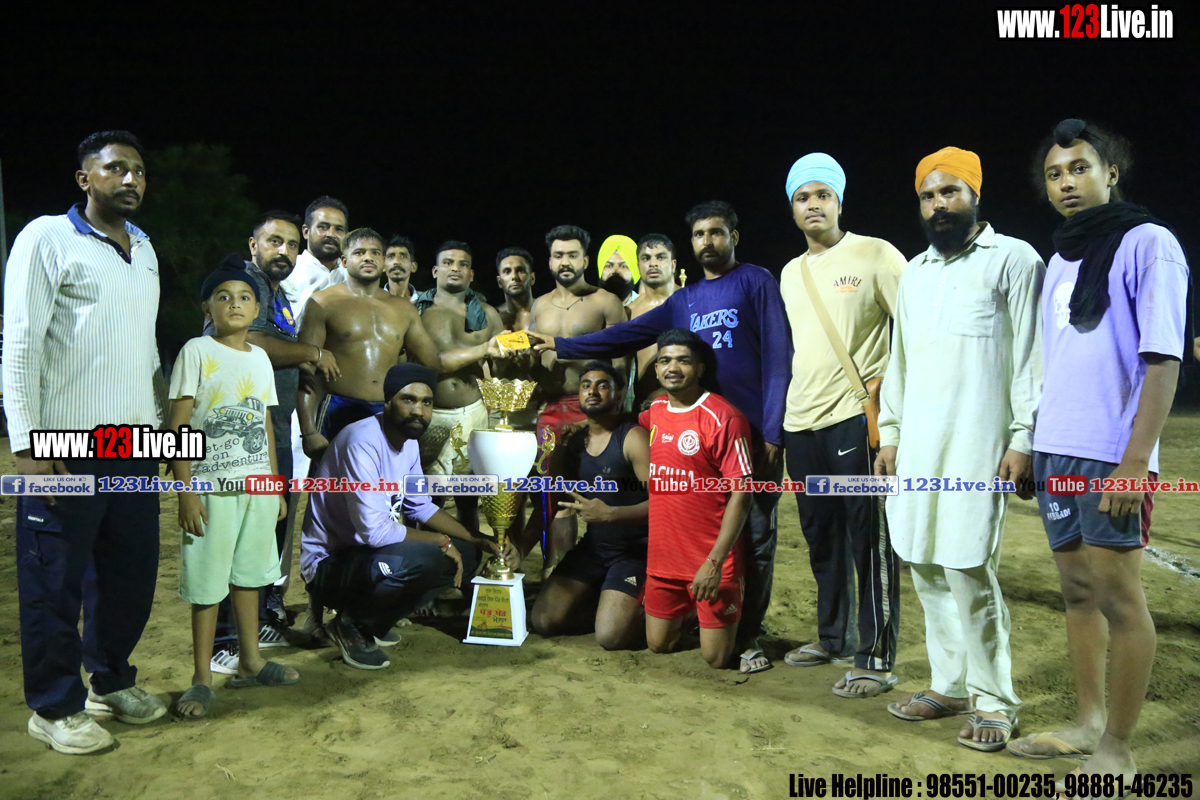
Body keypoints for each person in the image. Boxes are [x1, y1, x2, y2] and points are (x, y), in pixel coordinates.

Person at [530, 201, 791, 674]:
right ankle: (692, 612)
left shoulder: (756, 281)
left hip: (749, 433)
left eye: (716, 232)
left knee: (753, 536)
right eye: (699, 234)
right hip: (693, 434)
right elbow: (627, 335)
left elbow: (778, 355)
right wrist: (565, 346)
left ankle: (748, 631)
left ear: (733, 237)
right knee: (689, 526)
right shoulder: (685, 301)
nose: (707, 241)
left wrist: (773, 430)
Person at [1006, 120, 1190, 784]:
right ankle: (1087, 722)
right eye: (1055, 174)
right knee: (1078, 592)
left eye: (1080, 168)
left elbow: (1162, 360)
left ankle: (1118, 748)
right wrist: (1032, 443)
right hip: (1057, 449)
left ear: (1111, 172)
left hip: (1112, 453)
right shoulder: (1060, 259)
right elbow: (1054, 360)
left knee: (1119, 597)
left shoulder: (1150, 243)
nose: (1067, 183)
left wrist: (1135, 461)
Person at [6, 131, 168, 754]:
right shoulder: (47, 237)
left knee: (130, 574)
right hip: (64, 446)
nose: (130, 179)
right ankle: (54, 707)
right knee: (54, 582)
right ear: (85, 179)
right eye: (115, 168)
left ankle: (111, 679)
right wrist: (28, 446)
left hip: (135, 446)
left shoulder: (145, 249)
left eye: (139, 170)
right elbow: (20, 344)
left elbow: (146, 350)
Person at [877, 147, 1043, 749]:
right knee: (923, 561)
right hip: (918, 447)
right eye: (928, 195)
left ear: (975, 195)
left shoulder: (1015, 259)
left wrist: (1024, 437)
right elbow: (898, 363)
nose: (938, 205)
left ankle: (994, 700)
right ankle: (948, 685)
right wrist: (890, 434)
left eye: (950, 192)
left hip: (979, 445)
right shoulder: (917, 273)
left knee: (968, 566)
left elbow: (1032, 356)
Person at [775, 154, 905, 695]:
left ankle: (875, 655)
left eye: (822, 195)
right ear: (792, 208)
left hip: (855, 418)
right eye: (802, 197)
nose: (813, 205)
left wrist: (893, 407)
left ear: (839, 201)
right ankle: (833, 638)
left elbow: (915, 332)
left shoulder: (876, 254)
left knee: (869, 541)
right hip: (801, 423)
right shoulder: (790, 273)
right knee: (820, 538)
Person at [300, 364, 520, 669]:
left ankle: (373, 621)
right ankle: (351, 625)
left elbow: (420, 506)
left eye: (426, 402)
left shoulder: (408, 442)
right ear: (388, 402)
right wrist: (441, 541)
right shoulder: (361, 441)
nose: (419, 410)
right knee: (425, 556)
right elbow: (375, 532)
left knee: (467, 554)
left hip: (366, 558)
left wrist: (479, 539)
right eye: (409, 400)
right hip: (330, 566)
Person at [204, 213, 342, 675]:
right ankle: (224, 641)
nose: (283, 250)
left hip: (271, 430)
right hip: (237, 438)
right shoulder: (245, 284)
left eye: (290, 244)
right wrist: (313, 353)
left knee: (262, 536)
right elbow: (252, 340)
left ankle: (258, 623)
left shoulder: (275, 292)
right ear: (253, 244)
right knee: (237, 537)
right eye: (273, 241)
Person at [167, 264, 301, 718]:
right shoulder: (196, 350)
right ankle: (202, 678)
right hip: (211, 489)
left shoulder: (260, 358)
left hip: (257, 488)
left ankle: (251, 660)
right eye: (223, 297)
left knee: (250, 577)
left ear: (257, 308)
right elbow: (178, 424)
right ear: (208, 309)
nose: (235, 303)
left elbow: (265, 424)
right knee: (208, 584)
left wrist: (275, 487)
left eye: (244, 296)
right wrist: (186, 491)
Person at [640, 330, 753, 669]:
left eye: (683, 361)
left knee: (716, 659)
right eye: (664, 361)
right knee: (657, 644)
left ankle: (724, 614)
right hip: (663, 560)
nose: (672, 368)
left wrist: (714, 563)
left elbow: (743, 494)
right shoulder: (654, 411)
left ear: (700, 368)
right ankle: (693, 613)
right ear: (656, 369)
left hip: (710, 560)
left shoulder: (724, 417)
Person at [524, 225, 627, 570]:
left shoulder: (606, 302)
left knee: (605, 491)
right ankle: (558, 570)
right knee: (555, 495)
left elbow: (621, 365)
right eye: (558, 255)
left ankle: (608, 569)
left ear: (585, 259)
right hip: (552, 409)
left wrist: (611, 414)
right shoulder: (539, 305)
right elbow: (533, 362)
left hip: (596, 411)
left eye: (572, 255)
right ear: (549, 261)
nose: (564, 262)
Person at [529, 362, 650, 650]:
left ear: (618, 395)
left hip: (634, 551)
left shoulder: (632, 438)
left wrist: (612, 514)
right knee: (543, 620)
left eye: (602, 385)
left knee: (610, 637)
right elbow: (554, 499)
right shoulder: (573, 441)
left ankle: (661, 612)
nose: (592, 391)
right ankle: (605, 601)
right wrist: (521, 547)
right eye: (586, 385)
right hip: (594, 548)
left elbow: (665, 502)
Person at [413, 241, 505, 532]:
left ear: (471, 274)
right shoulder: (416, 313)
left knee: (468, 499)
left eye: (463, 264)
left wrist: (517, 356)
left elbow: (502, 368)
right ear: (435, 270)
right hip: (429, 414)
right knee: (425, 498)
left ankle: (471, 553)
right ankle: (422, 554)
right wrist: (483, 350)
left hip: (473, 412)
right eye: (448, 262)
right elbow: (432, 363)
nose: (455, 268)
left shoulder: (488, 314)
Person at [625, 234, 678, 410]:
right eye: (646, 258)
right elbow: (621, 367)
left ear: (673, 264)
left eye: (660, 257)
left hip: (688, 402)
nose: (653, 263)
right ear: (638, 265)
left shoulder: (691, 303)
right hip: (644, 406)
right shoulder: (628, 311)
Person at [280, 196, 350, 323]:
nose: (331, 234)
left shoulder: (352, 274)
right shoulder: (286, 270)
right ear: (306, 232)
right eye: (323, 227)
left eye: (339, 229)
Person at [495, 246, 536, 333]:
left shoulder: (546, 311)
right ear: (499, 282)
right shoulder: (493, 317)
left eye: (520, 270)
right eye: (507, 271)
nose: (514, 276)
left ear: (532, 278)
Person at [597, 234, 640, 306]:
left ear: (636, 271)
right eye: (609, 266)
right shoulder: (586, 307)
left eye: (623, 266)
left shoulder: (649, 309)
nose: (615, 271)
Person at [384, 235, 419, 301]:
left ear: (413, 267)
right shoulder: (372, 302)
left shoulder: (426, 302)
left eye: (403, 257)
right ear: (383, 266)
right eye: (391, 256)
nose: (397, 261)